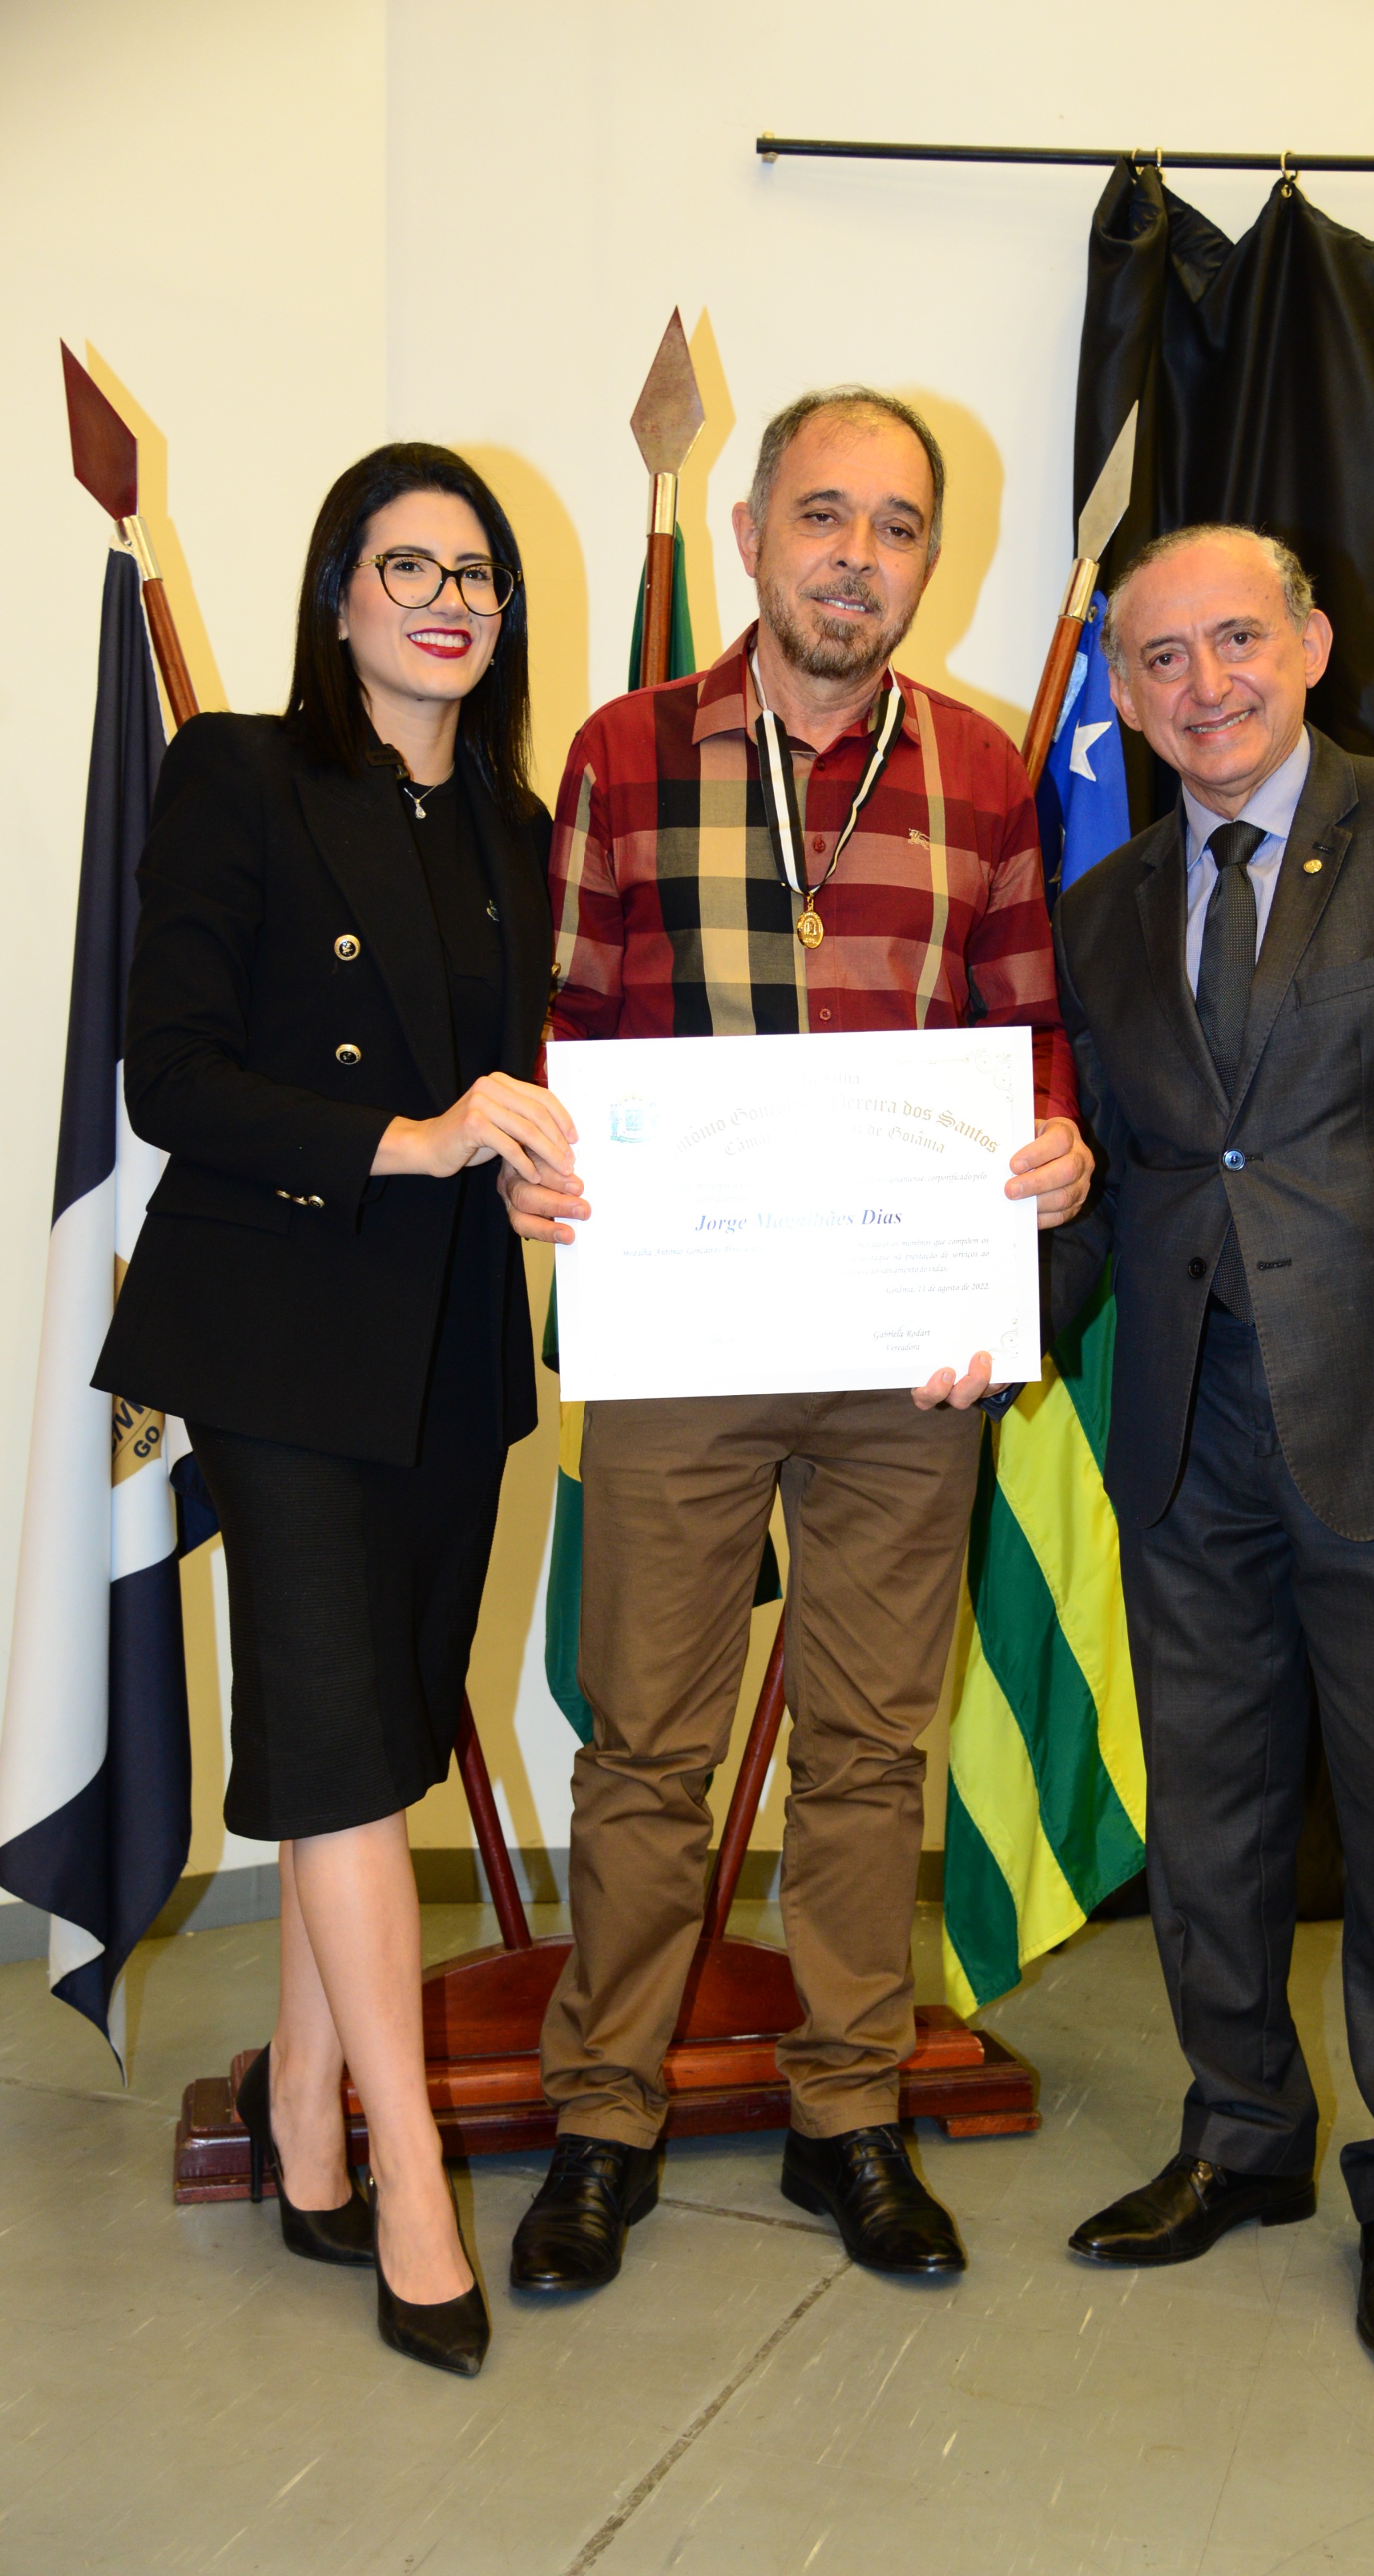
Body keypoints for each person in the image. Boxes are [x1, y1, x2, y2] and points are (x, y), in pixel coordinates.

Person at [500, 387, 1093, 2289]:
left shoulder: (984, 772)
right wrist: (544, 1163)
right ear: (751, 536)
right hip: (682, 1337)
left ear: (931, 561)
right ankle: (605, 2116)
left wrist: (1055, 1151)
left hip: (905, 1355)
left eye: (897, 527)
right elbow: (567, 1028)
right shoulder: (625, 751)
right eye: (824, 515)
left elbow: (1032, 1032)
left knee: (866, 1747)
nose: (858, 556)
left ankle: (850, 2113)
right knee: (646, 1748)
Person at [1051, 524, 1374, 2372]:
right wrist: (984, 1313)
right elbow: (1131, 1182)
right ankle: (1243, 2137)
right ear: (1127, 698)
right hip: (1184, 1440)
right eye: (1163, 658)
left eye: (1236, 640)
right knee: (1207, 1819)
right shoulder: (1105, 907)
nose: (1204, 683)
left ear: (1312, 643)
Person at [95, 443, 572, 2378]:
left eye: (477, 574)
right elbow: (171, 1076)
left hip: (451, 1340)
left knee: (360, 1741)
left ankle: (303, 2123)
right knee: (355, 1763)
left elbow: (512, 1085)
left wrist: (523, 1164)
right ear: (339, 594)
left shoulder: (520, 823)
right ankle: (410, 2187)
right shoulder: (241, 775)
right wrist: (412, 1137)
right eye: (409, 567)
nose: (449, 600)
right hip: (283, 1335)